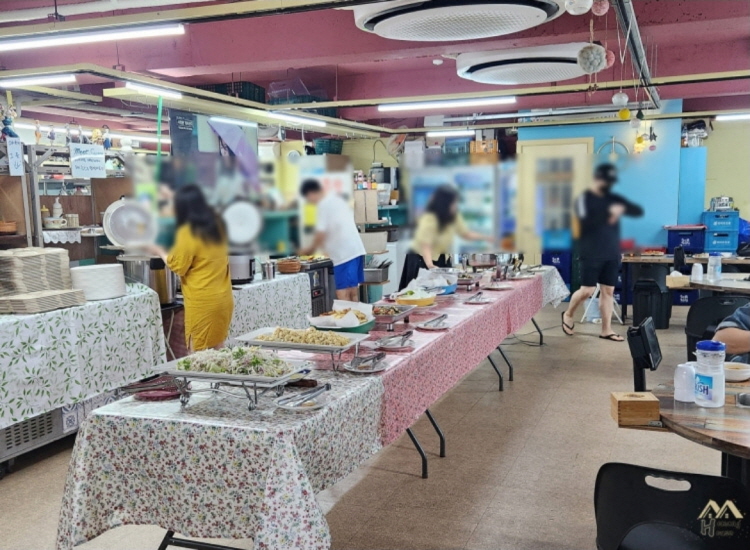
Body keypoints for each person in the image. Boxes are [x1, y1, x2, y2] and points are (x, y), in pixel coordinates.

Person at [562, 163, 643, 342]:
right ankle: (568, 314)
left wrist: (621, 209)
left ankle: (606, 330)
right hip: (590, 250)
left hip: (611, 251)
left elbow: (637, 210)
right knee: (587, 290)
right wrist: (609, 215)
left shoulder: (613, 198)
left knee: (608, 291)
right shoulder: (584, 199)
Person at [147, 184, 234, 351]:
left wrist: (158, 250)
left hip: (203, 301)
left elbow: (177, 265)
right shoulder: (217, 224)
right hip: (223, 299)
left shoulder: (189, 231)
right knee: (218, 350)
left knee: (198, 356)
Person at [399, 185, 495, 290]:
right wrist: (430, 265)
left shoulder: (453, 216)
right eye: (453, 203)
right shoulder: (429, 218)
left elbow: (465, 233)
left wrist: (487, 238)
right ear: (444, 203)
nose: (455, 205)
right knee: (420, 292)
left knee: (444, 289)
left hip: (441, 257)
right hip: (421, 259)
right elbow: (425, 244)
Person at [299, 179, 366, 302]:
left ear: (311, 193)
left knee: (343, 294)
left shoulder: (323, 205)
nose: (310, 202)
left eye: (308, 199)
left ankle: (347, 315)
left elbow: (321, 234)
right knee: (353, 292)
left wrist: (308, 250)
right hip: (356, 250)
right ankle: (356, 314)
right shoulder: (336, 200)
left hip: (345, 255)